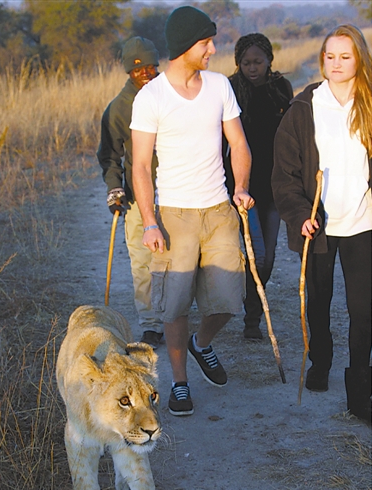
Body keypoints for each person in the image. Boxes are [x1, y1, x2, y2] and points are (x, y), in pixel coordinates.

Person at [130, 6, 254, 417]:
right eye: (206, 43)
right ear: (186, 46)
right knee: (175, 306)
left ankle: (203, 343)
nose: (213, 49)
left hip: (218, 209)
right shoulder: (151, 97)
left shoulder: (219, 86)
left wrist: (240, 187)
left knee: (228, 301)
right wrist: (150, 222)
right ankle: (180, 384)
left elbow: (238, 144)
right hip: (173, 215)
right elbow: (142, 166)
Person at [272, 25, 372, 424]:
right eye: (329, 56)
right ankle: (321, 362)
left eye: (345, 56)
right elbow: (284, 174)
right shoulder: (304, 109)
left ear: (359, 59)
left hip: (364, 222)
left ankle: (360, 389)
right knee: (319, 301)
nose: (336, 64)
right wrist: (300, 216)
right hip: (319, 226)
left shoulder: (369, 103)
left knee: (364, 309)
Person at [224, 33, 293, 340]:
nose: (252, 68)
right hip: (243, 187)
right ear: (238, 64)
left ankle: (251, 303)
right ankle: (252, 320)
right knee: (258, 256)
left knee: (268, 260)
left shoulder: (281, 89)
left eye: (258, 62)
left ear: (269, 61)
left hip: (276, 186)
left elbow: (291, 138)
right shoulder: (230, 89)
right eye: (246, 63)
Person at [97, 36, 164, 349]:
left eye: (151, 66)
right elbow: (110, 156)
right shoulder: (118, 109)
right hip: (139, 195)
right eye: (139, 70)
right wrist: (115, 188)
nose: (147, 74)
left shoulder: (174, 94)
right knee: (142, 260)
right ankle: (151, 323)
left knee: (178, 258)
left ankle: (175, 312)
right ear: (128, 72)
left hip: (178, 189)